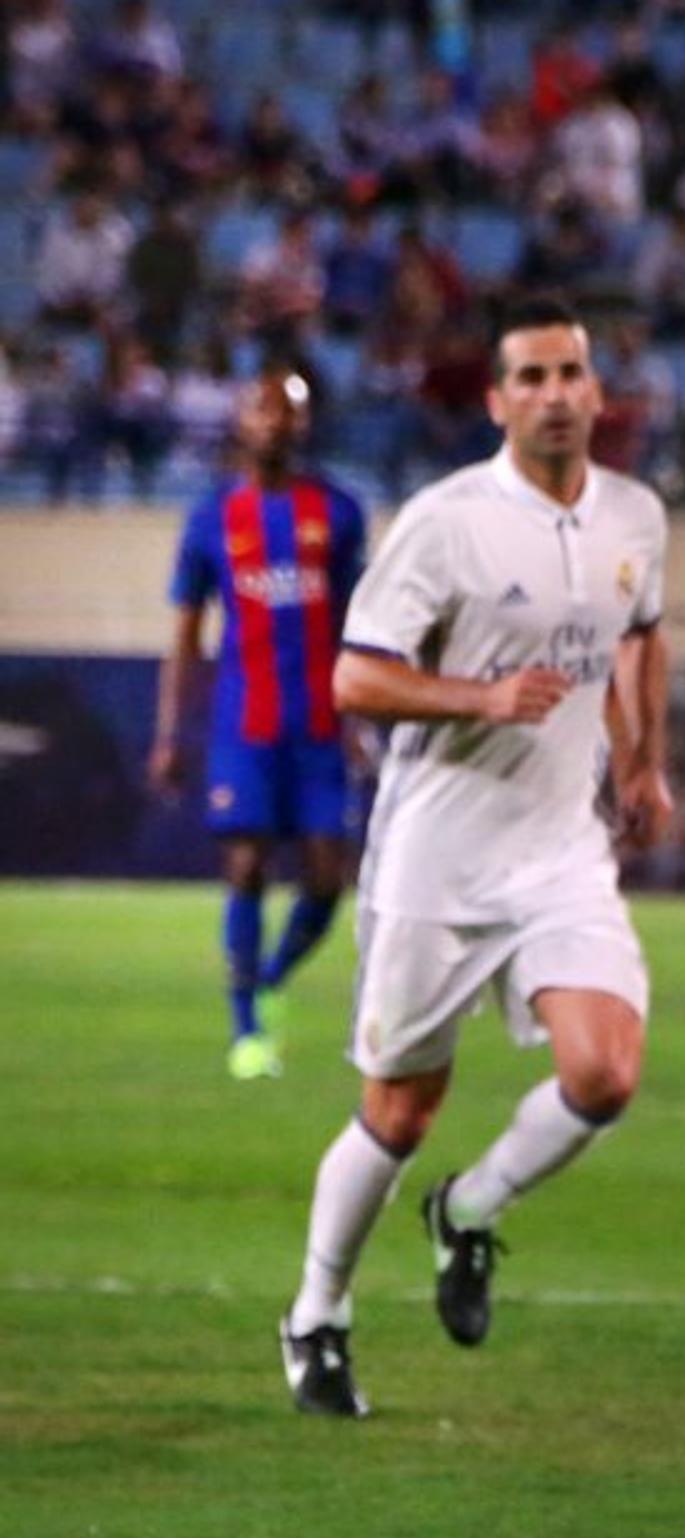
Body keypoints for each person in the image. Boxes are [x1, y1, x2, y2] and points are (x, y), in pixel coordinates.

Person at [274, 296, 675, 1420]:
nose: (554, 394)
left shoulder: (634, 518)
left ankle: (473, 1209)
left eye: (569, 373)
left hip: (559, 852)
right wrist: (479, 695)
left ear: (597, 392)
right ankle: (318, 1311)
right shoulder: (446, 523)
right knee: (399, 1110)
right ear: (497, 401)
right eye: (530, 377)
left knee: (606, 1070)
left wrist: (641, 763)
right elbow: (356, 678)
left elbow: (641, 637)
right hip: (436, 859)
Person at [153, 371, 371, 1079]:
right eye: (264, 409)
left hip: (318, 727)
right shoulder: (211, 519)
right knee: (244, 866)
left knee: (326, 880)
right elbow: (185, 633)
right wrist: (169, 733)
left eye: (290, 411)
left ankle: (271, 977)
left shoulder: (338, 512)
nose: (275, 422)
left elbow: (357, 624)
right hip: (243, 727)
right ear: (241, 421)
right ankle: (246, 1030)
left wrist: (363, 713)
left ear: (306, 425)